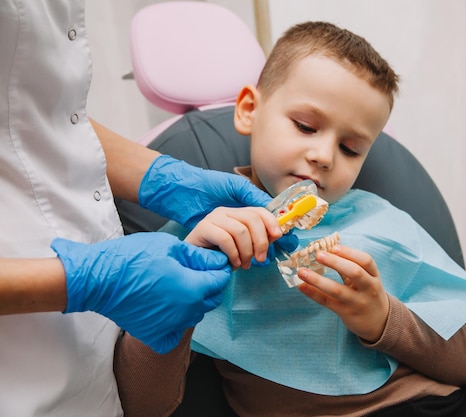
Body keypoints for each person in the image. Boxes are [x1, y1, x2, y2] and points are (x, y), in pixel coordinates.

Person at [165, 21, 466, 417]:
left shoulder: (380, 223)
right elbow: (139, 399)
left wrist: (383, 319)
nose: (324, 155)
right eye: (305, 126)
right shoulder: (202, 233)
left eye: (351, 149)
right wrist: (177, 287)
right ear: (250, 110)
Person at [0, 2, 291, 416]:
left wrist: (160, 176)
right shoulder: (179, 249)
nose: (322, 157)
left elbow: (36, 114)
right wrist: (80, 280)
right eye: (304, 126)